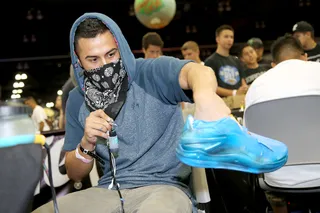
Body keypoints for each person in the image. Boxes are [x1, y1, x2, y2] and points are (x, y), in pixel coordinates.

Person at [33, 13, 287, 213]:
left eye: (111, 54)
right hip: (109, 191)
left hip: (165, 188)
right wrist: (86, 143)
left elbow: (196, 72)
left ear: (121, 47)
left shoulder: (150, 73)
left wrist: (206, 98)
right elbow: (75, 173)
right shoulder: (77, 99)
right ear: (78, 62)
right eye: (93, 60)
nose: (105, 66)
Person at [246, 35, 320, 213]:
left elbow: (252, 144)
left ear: (273, 65)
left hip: (277, 180)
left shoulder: (256, 86)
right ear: (304, 57)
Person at [204, 25, 248, 98]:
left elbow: (243, 82)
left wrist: (244, 88)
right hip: (220, 102)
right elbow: (210, 87)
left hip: (238, 101)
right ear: (217, 39)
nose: (229, 39)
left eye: (231, 37)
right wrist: (234, 93)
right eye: (226, 36)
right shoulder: (210, 61)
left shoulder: (236, 60)